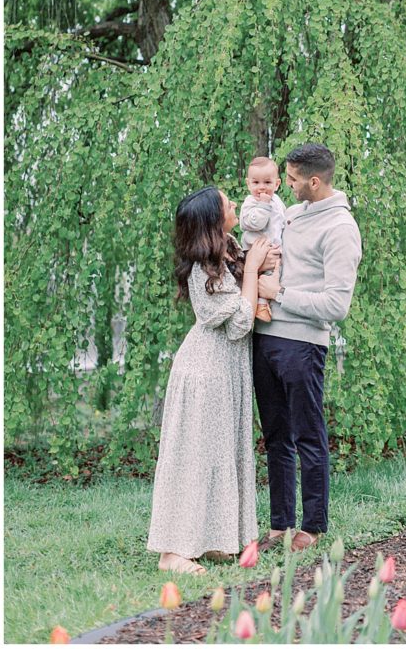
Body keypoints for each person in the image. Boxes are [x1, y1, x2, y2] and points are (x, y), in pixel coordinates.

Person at [147, 185, 275, 574]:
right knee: (197, 458)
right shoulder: (203, 267)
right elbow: (239, 324)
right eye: (227, 203)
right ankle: (173, 551)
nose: (235, 203)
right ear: (212, 219)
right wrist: (252, 270)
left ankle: (216, 538)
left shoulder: (227, 249)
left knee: (222, 453)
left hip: (226, 369)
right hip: (206, 370)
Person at [254, 143, 362, 552]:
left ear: (315, 182)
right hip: (265, 339)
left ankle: (313, 526)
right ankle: (279, 524)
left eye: (295, 180)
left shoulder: (341, 229)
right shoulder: (293, 215)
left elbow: (337, 305)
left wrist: (278, 293)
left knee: (307, 436)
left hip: (302, 345)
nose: (288, 184)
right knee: (276, 436)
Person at [239, 156, 286, 323]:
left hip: (272, 246)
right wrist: (263, 206)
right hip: (255, 248)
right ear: (248, 183)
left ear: (277, 184)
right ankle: (260, 305)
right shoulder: (250, 202)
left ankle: (267, 303)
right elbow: (252, 223)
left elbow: (281, 220)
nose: (261, 188)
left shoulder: (277, 201)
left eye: (267, 183)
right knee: (262, 275)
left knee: (275, 274)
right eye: (256, 182)